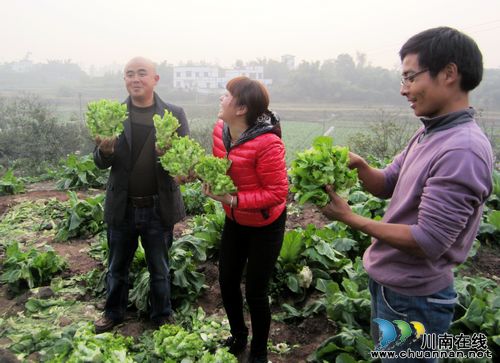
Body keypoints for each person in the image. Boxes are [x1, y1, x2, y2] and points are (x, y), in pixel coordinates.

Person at [321, 27, 493, 362]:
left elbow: (428, 240)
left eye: (410, 77)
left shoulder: (462, 150)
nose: (405, 90)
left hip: (415, 300)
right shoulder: (430, 132)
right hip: (392, 288)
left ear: (449, 73)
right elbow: (387, 183)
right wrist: (360, 165)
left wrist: (349, 217)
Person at [93, 56, 189, 333]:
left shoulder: (174, 113)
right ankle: (113, 313)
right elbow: (99, 162)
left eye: (141, 73)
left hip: (158, 207)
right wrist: (106, 151)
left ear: (155, 79)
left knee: (160, 268)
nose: (135, 79)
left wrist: (167, 154)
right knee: (116, 267)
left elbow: (183, 163)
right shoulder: (113, 115)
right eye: (129, 74)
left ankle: (162, 315)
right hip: (122, 206)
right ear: (124, 80)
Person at [202, 76, 288, 363]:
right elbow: (216, 168)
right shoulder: (220, 130)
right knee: (227, 281)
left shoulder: (268, 144)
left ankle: (260, 352)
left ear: (241, 109)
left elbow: (278, 192)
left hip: (265, 225)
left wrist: (234, 200)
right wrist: (194, 173)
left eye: (226, 95)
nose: (221, 98)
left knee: (255, 291)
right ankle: (238, 337)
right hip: (235, 220)